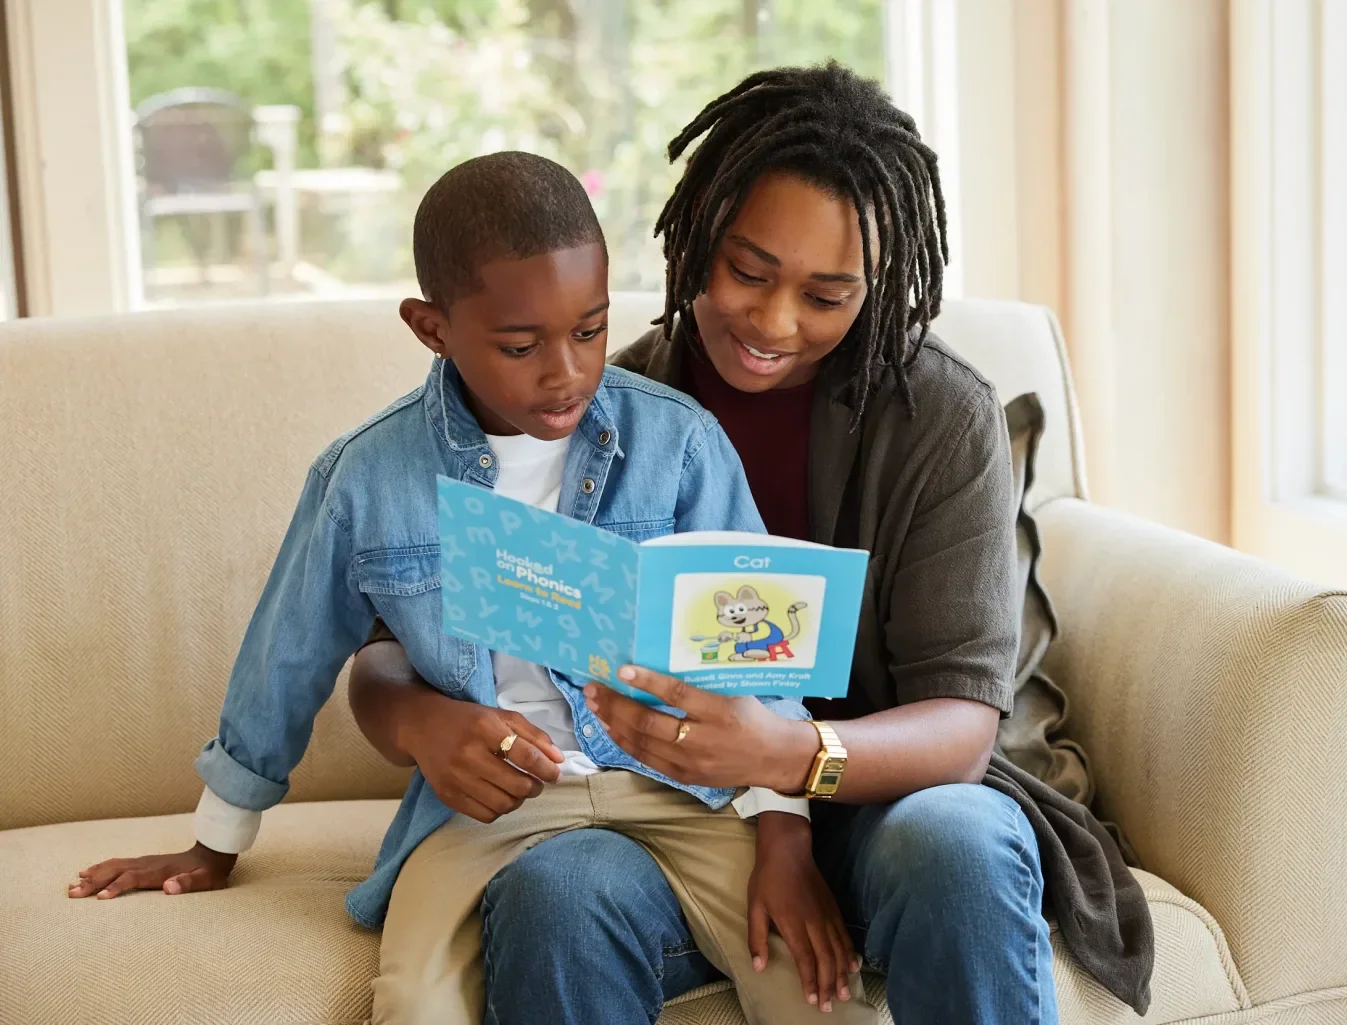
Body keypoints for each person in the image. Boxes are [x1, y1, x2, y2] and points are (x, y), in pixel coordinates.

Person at [66, 152, 860, 1025]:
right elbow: (285, 655)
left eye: (590, 331)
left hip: (682, 792)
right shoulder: (366, 477)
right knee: (412, 1005)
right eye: (521, 346)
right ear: (431, 326)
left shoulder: (678, 442)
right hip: (490, 807)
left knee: (818, 994)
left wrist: (785, 826)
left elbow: (755, 648)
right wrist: (216, 840)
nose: (565, 372)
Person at [351, 65, 1064, 1025]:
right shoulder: (596, 405)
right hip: (672, 820)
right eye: (749, 271)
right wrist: (417, 718)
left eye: (826, 295)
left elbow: (966, 724)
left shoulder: (939, 415)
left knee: (962, 842)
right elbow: (408, 622)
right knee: (558, 889)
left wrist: (786, 757)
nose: (774, 324)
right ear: (696, 234)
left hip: (891, 803)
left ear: (878, 286)